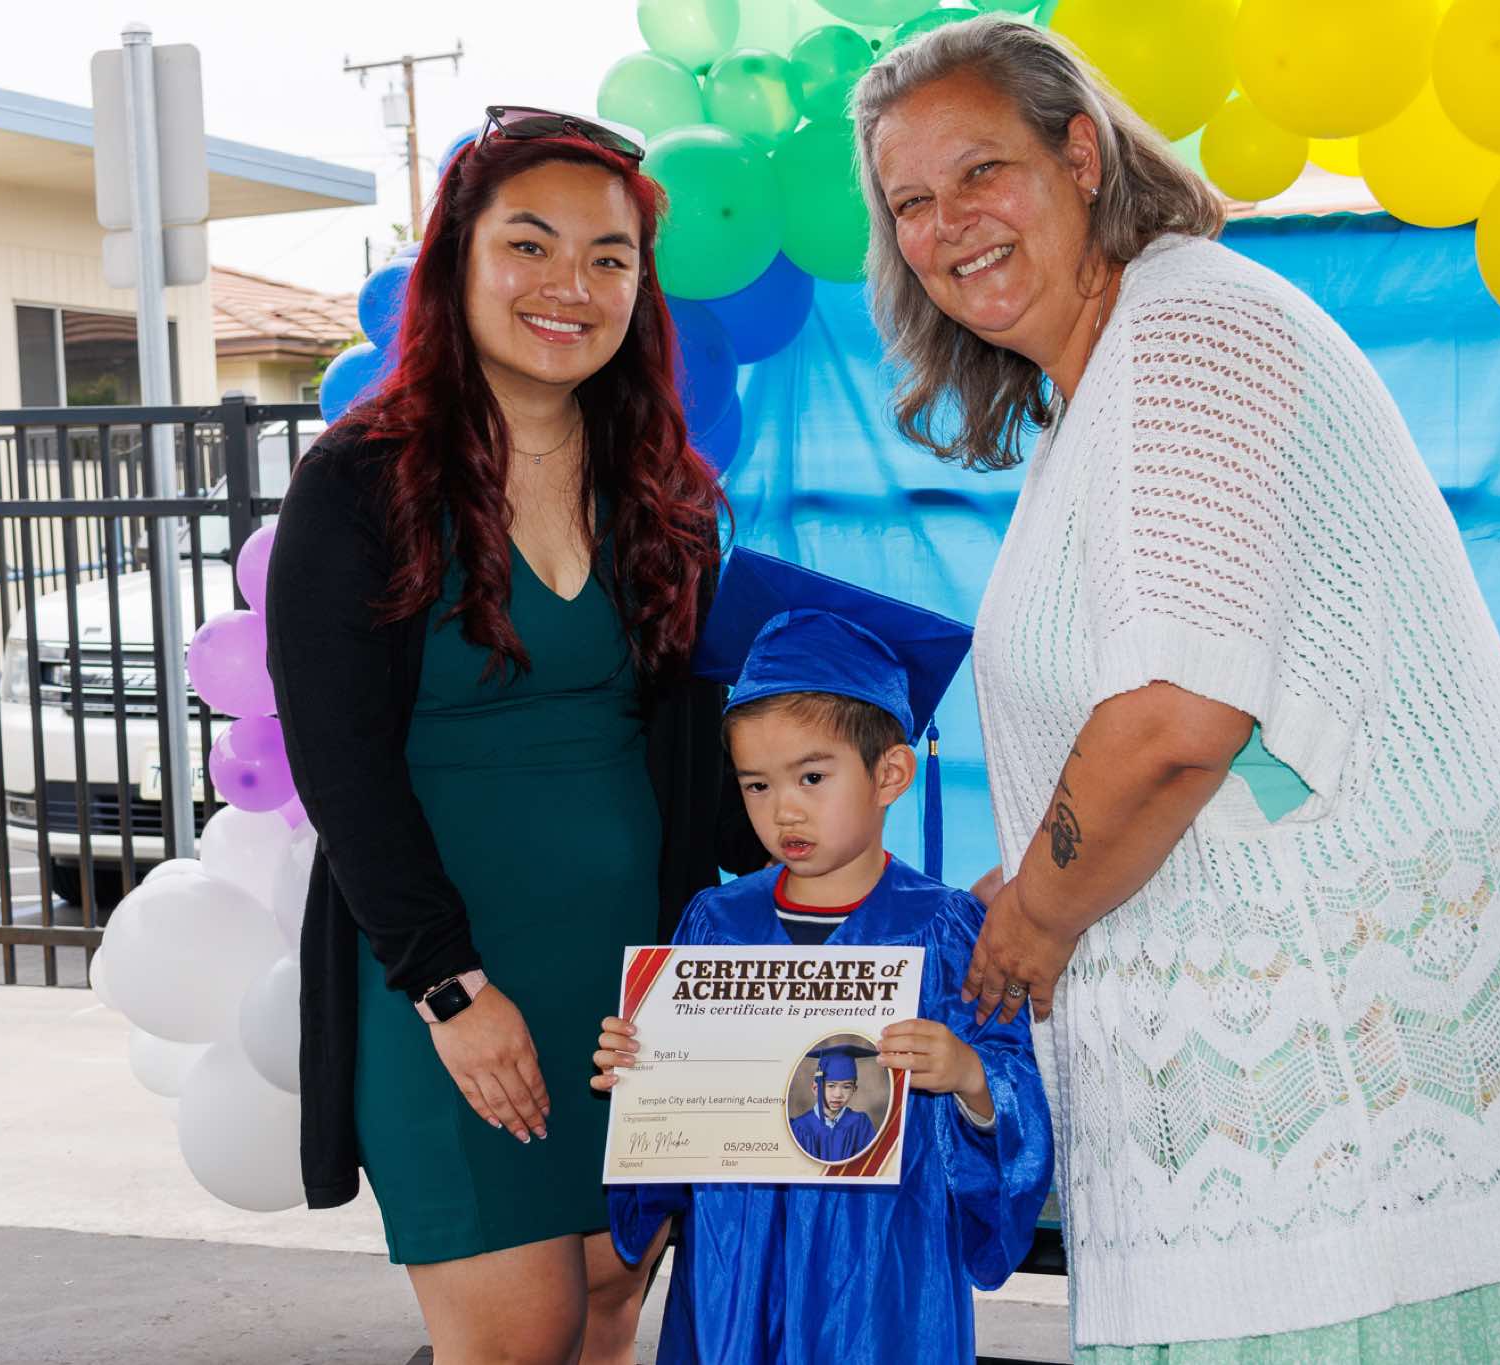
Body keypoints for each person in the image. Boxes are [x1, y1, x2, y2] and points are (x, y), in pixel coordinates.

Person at [851, 16, 1500, 1361]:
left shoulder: (1185, 337)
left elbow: (1178, 721)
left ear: (1080, 154)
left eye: (981, 170)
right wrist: (1006, 895)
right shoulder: (1112, 372)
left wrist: (1035, 921)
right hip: (1302, 1054)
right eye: (910, 202)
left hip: (1353, 1069)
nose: (948, 224)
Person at [267, 106, 764, 1365]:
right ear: (458, 262)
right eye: (529, 246)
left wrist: (833, 811)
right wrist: (449, 987)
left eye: (608, 258)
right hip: (450, 980)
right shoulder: (359, 481)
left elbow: (692, 755)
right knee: (517, 1337)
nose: (569, 286)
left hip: (631, 988)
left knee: (604, 1311)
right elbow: (340, 770)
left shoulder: (666, 494)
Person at [593, 548, 1055, 1365]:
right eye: (756, 784)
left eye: (812, 776)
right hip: (736, 1267)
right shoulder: (716, 923)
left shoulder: (944, 929)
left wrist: (970, 1077)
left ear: (891, 773)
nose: (784, 810)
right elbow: (669, 1145)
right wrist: (642, 1070)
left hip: (882, 1274)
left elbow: (1013, 1095)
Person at [788, 1042, 880, 1161]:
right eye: (831, 1086)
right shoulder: (800, 1127)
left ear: (854, 1089)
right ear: (816, 1088)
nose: (838, 1094)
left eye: (846, 1087)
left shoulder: (860, 1124)